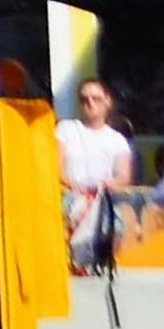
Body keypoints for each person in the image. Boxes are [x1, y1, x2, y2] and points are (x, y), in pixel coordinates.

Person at [55, 75, 134, 272]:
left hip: (102, 199)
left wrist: (108, 185)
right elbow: (56, 167)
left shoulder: (117, 140)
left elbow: (124, 177)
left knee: (116, 227)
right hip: (70, 198)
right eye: (84, 99)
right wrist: (74, 187)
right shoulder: (65, 130)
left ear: (108, 101)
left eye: (96, 98)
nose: (90, 103)